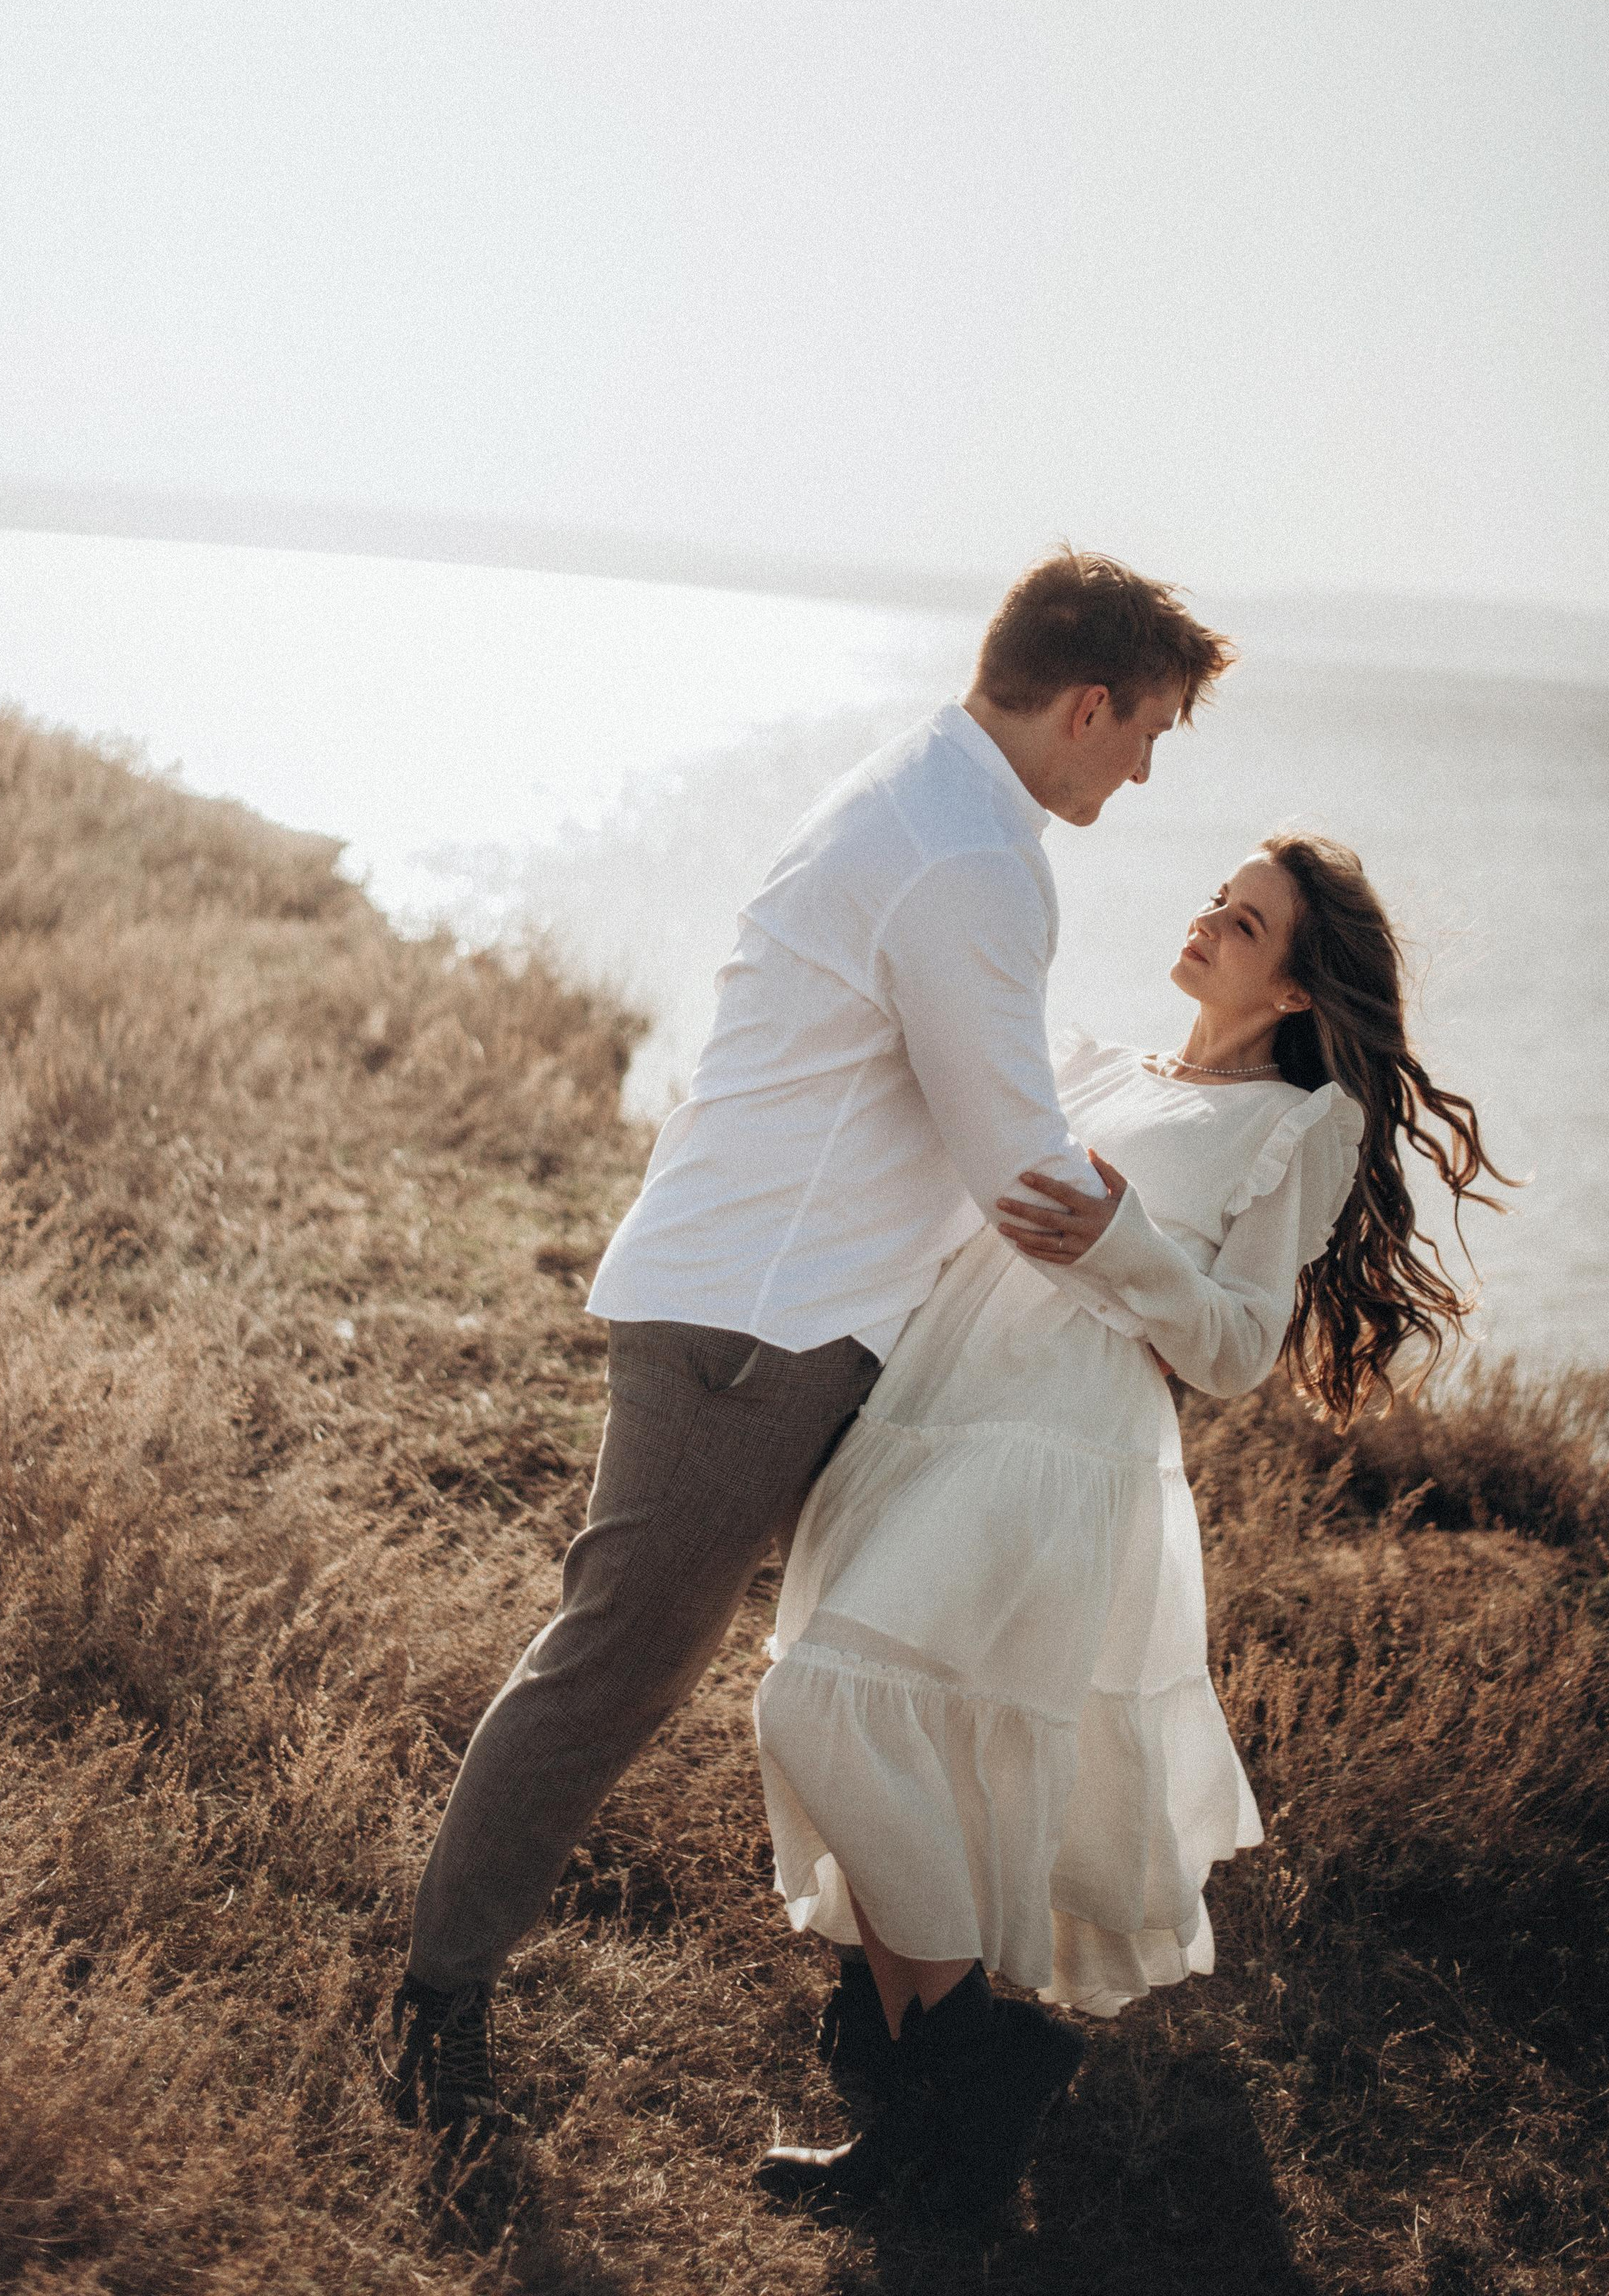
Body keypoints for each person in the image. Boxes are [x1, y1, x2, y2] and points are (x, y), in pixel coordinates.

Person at [385, 550, 1234, 2139]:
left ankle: (923, 2047)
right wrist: (1188, 1273)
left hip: (790, 1317)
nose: (1142, 764)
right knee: (616, 1666)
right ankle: (435, 2005)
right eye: (1149, 731)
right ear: (1088, 701)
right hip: (750, 1330)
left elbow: (991, 1101)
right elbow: (1019, 1170)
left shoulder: (928, 799)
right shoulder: (968, 855)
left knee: (888, 1656)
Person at [752, 832, 1512, 2221]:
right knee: (894, 1729)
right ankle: (942, 2137)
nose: (1209, 922)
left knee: (822, 1704)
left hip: (1052, 1446)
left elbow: (1234, 1349)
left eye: (1247, 920)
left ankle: (976, 2053)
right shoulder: (1101, 1063)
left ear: (1295, 989)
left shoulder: (1295, 1126)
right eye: (1216, 900)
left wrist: (1122, 1243)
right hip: (932, 1411)